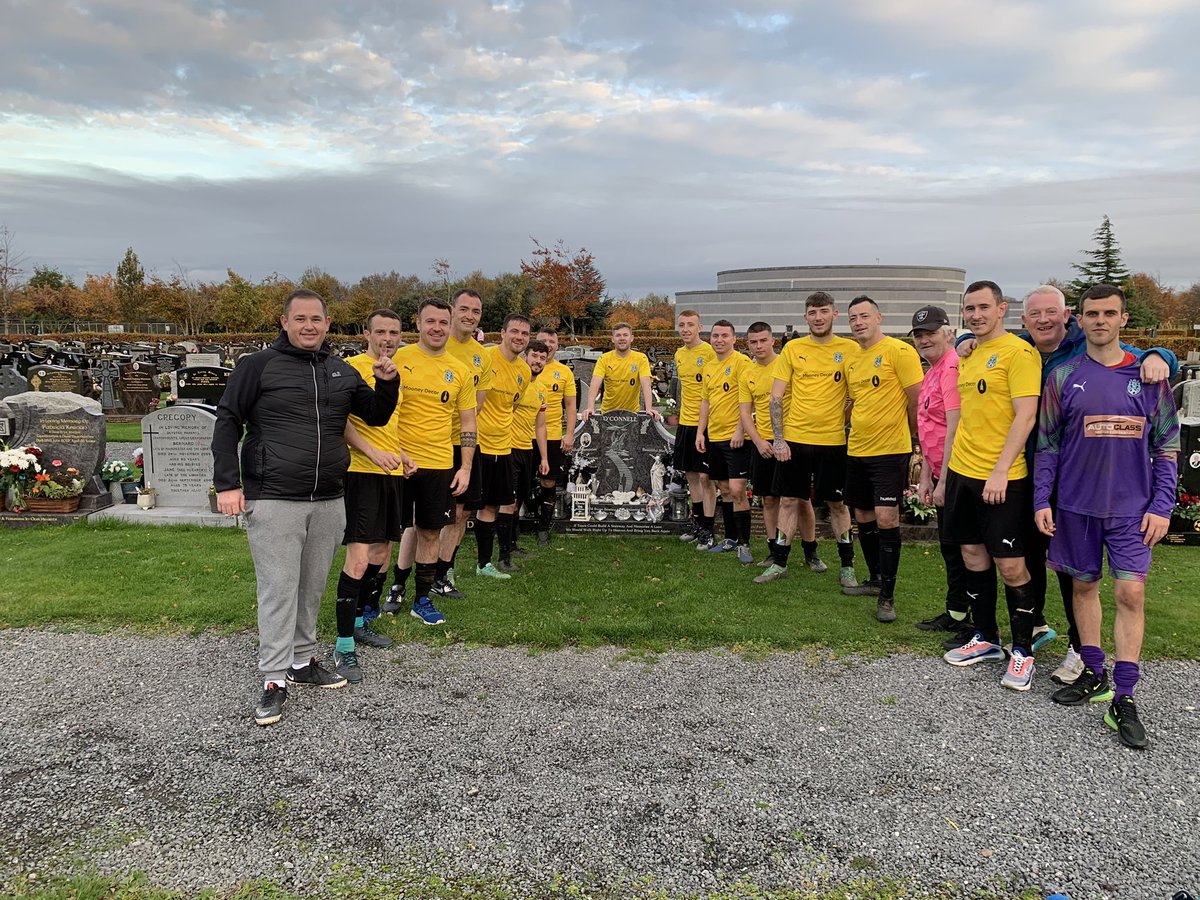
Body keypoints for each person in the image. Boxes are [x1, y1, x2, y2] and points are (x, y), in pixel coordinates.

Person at [960, 284, 1177, 682]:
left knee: (1077, 574)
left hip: (1079, 479)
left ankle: (1080, 649)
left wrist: (1160, 354)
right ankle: (1039, 624)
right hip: (1032, 471)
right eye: (1035, 314)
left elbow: (1129, 361)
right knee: (1035, 554)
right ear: (1024, 319)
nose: (1043, 320)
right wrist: (964, 340)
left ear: (1066, 317)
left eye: (1051, 313)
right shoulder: (1023, 347)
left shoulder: (1081, 347)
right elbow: (986, 335)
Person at [212, 289, 398, 727]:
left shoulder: (339, 371)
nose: (309, 326)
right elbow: (227, 421)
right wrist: (227, 484)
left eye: (317, 319)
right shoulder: (257, 367)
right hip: (274, 496)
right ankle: (273, 678)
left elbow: (374, 416)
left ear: (328, 324)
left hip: (329, 497)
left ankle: (301, 661)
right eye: (300, 319)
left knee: (312, 585)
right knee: (279, 588)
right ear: (284, 322)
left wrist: (388, 382)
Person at [1035, 284, 1179, 750]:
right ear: (1079, 319)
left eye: (1109, 313)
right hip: (1076, 506)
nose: (1100, 320)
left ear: (1123, 319)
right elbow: (1048, 446)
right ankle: (1094, 673)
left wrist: (1161, 506)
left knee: (1130, 593)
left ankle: (1126, 696)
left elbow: (1167, 447)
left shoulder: (1149, 377)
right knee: (1083, 586)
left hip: (1131, 511)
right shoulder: (1062, 376)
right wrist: (1042, 500)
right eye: (1092, 313)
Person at [941, 280, 1042, 690]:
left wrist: (1001, 470)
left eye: (984, 307)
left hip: (1002, 476)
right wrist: (949, 471)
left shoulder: (1020, 353)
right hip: (963, 472)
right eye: (969, 309)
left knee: (1011, 565)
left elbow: (1026, 416)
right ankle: (986, 637)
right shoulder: (969, 352)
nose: (976, 315)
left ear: (1002, 308)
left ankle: (1023, 652)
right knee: (971, 554)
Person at [378, 299, 476, 628]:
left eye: (443, 322)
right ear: (417, 324)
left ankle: (422, 598)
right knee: (387, 534)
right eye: (430, 321)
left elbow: (467, 424)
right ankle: (381, 594)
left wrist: (465, 467)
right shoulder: (397, 359)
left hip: (438, 464)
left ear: (450, 326)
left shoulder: (460, 371)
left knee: (430, 532)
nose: (437, 328)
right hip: (396, 461)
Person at [333, 309, 413, 683]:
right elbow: (343, 423)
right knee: (360, 556)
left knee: (382, 553)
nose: (387, 338)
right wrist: (372, 452)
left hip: (391, 471)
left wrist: (401, 454)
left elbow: (391, 421)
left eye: (394, 332)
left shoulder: (397, 371)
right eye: (380, 331)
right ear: (366, 334)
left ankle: (364, 619)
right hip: (360, 472)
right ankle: (344, 644)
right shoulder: (349, 368)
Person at [761, 292, 860, 585]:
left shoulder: (850, 349)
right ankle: (779, 562)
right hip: (795, 441)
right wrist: (779, 439)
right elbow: (776, 397)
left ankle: (847, 565)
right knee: (789, 500)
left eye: (824, 311)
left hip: (833, 443)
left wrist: (840, 421)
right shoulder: (793, 349)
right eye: (813, 312)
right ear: (805, 317)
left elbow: (855, 395)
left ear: (835, 314)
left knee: (837, 504)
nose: (818, 318)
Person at [839, 296, 924, 622]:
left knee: (887, 519)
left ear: (878, 317)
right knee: (862, 514)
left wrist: (913, 439)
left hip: (890, 451)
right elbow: (853, 401)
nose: (858, 322)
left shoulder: (899, 351)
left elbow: (916, 399)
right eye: (853, 318)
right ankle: (874, 579)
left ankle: (887, 596)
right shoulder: (852, 360)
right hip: (857, 449)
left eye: (864, 316)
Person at [910, 306, 971, 637]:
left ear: (948, 333)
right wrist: (925, 475)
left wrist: (944, 479)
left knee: (964, 548)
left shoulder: (951, 368)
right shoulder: (932, 369)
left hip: (957, 472)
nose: (923, 339)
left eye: (930, 333)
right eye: (919, 335)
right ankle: (956, 611)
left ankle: (970, 618)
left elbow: (954, 425)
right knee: (950, 545)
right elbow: (927, 426)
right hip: (939, 469)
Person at [429, 289, 491, 601]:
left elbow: (477, 405)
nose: (469, 316)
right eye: (463, 309)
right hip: (434, 443)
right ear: (452, 310)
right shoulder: (438, 343)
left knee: (462, 513)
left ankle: (443, 573)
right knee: (428, 517)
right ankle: (418, 577)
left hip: (465, 443)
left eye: (475, 311)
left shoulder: (483, 355)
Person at [475, 314, 533, 578]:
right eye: (515, 332)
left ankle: (485, 564)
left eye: (525, 334)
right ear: (502, 332)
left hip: (504, 446)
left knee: (493, 505)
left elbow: (513, 405)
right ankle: (445, 570)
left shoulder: (524, 370)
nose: (519, 337)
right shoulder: (485, 358)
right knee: (464, 509)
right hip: (477, 445)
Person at [694, 320, 752, 560]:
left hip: (736, 438)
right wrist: (700, 431)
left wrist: (740, 430)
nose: (719, 340)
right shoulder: (709, 366)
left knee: (738, 490)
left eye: (724, 336)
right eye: (715, 336)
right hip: (715, 436)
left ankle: (744, 544)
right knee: (724, 489)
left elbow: (750, 401)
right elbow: (706, 401)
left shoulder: (742, 363)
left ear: (734, 339)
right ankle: (730, 538)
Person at [738, 321, 785, 566]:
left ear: (772, 341)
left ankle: (810, 549)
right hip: (763, 443)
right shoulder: (748, 373)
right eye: (753, 342)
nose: (758, 346)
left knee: (797, 500)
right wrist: (758, 442)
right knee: (768, 499)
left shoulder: (786, 365)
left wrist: (783, 440)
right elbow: (746, 413)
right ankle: (772, 548)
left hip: (790, 441)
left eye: (763, 340)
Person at [672, 310, 719, 544]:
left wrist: (704, 426)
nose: (686, 329)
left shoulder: (709, 352)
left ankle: (708, 529)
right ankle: (697, 523)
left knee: (705, 477)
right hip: (685, 423)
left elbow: (711, 393)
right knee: (690, 475)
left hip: (706, 425)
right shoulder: (679, 354)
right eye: (682, 325)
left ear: (700, 327)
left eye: (691, 324)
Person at [532, 327, 577, 545]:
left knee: (548, 482)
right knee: (520, 483)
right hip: (522, 435)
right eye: (543, 341)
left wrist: (569, 434)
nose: (548, 345)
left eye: (552, 341)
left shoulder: (564, 372)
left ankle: (543, 528)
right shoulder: (524, 368)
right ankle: (512, 530)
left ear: (557, 346)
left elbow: (570, 405)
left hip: (552, 436)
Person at [510, 339, 550, 554]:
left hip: (527, 449)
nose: (538, 361)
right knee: (510, 500)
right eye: (534, 356)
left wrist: (543, 458)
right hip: (508, 448)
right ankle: (507, 547)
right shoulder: (515, 381)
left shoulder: (541, 389)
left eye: (542, 358)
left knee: (520, 498)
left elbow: (540, 426)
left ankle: (511, 544)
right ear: (525, 356)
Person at [582, 322, 661, 421]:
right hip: (608, 413)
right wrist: (590, 407)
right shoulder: (604, 359)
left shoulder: (641, 358)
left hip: (632, 414)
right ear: (612, 339)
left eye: (625, 335)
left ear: (631, 338)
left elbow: (646, 384)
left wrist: (649, 408)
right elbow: (595, 383)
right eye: (618, 335)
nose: (622, 338)